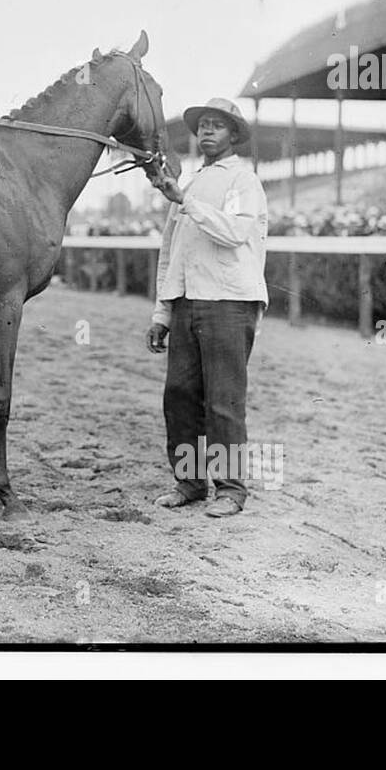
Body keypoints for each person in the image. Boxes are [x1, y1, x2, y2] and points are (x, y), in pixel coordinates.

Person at [146, 98, 268, 518]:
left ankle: (231, 490)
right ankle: (190, 483)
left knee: (223, 400)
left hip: (229, 302)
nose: (207, 132)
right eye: (203, 126)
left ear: (233, 135)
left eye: (217, 126)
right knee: (179, 396)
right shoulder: (194, 183)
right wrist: (162, 312)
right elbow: (171, 251)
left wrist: (185, 201)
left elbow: (234, 232)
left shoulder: (243, 180)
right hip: (187, 303)